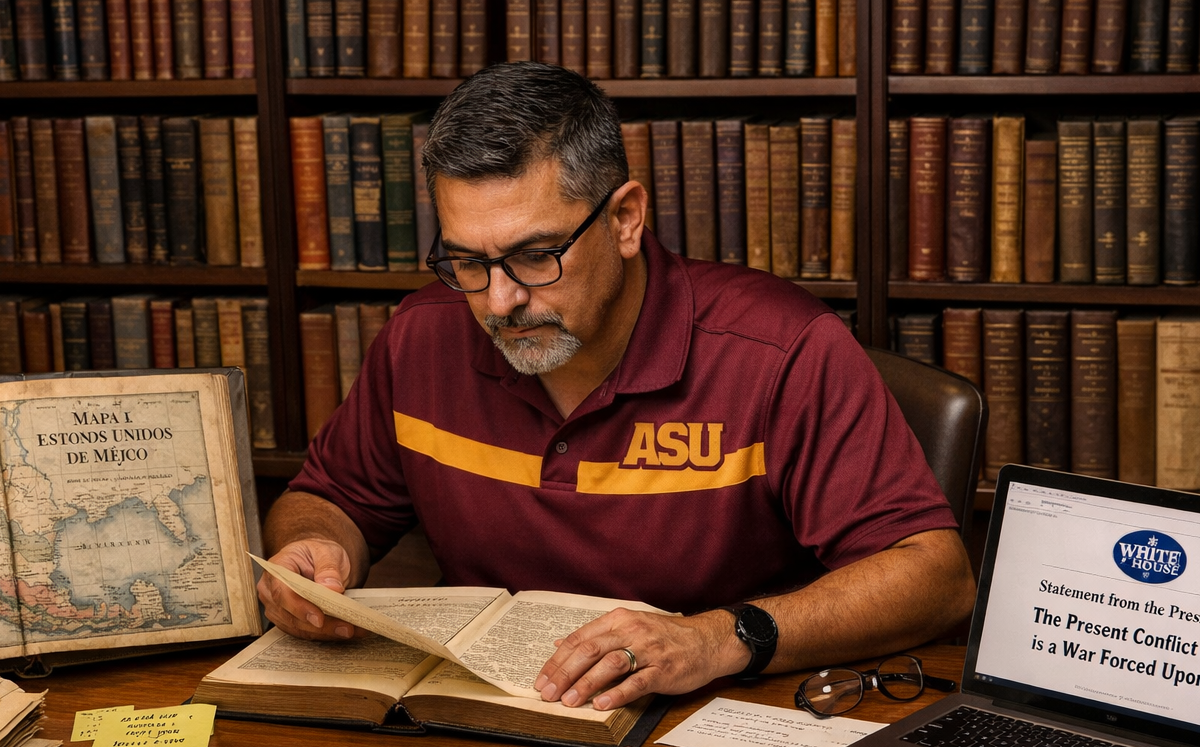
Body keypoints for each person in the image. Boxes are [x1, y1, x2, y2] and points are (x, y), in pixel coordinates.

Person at [258, 62, 975, 713]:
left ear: (625, 220)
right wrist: (316, 549)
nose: (500, 300)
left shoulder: (782, 352)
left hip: (718, 723)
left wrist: (719, 639)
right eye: (467, 261)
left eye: (536, 255)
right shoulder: (421, 337)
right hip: (484, 716)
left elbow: (934, 578)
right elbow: (329, 500)